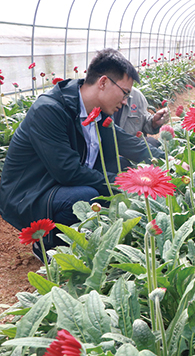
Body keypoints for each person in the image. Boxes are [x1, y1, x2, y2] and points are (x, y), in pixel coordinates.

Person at [0, 48, 158, 258]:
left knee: (122, 163)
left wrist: (164, 161)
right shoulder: (49, 109)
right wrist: (125, 182)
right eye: (125, 93)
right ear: (103, 82)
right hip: (31, 193)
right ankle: (49, 243)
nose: (126, 101)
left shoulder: (96, 112)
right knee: (86, 196)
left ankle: (89, 232)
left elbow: (128, 143)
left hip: (59, 182)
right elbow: (68, 171)